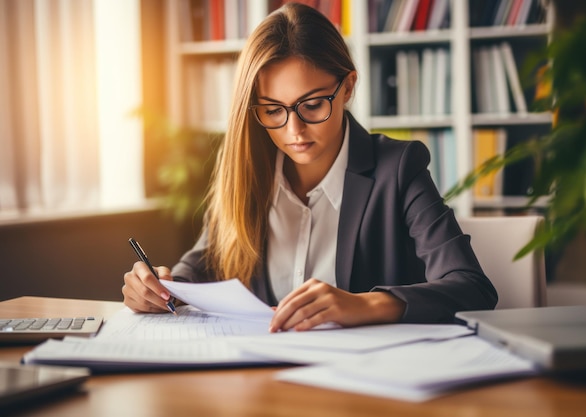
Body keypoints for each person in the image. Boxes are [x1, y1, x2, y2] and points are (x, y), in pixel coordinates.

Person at [123, 2, 497, 332]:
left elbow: (471, 287)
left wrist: (364, 304)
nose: (294, 130)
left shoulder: (398, 168)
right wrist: (158, 288)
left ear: (347, 87)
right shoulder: (246, 171)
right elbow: (198, 268)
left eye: (312, 105)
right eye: (273, 110)